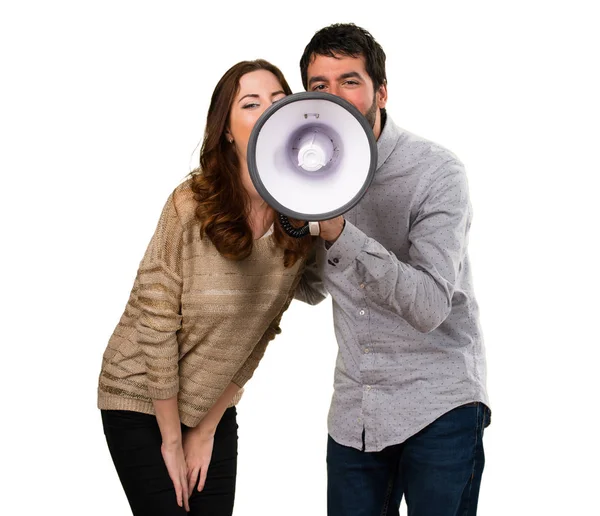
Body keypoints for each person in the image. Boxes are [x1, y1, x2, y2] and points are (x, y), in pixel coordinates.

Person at [97, 59, 313, 516]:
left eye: (279, 101)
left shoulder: (300, 217)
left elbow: (263, 330)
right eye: (251, 104)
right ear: (229, 130)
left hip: (211, 404)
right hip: (140, 396)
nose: (269, 112)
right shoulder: (191, 204)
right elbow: (155, 324)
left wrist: (208, 427)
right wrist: (173, 440)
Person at [294, 23, 491, 516]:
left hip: (438, 403)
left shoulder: (436, 172)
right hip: (355, 412)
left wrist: (341, 232)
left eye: (350, 81)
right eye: (320, 87)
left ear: (381, 91)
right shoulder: (301, 172)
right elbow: (313, 290)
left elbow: (429, 306)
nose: (335, 98)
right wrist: (287, 234)